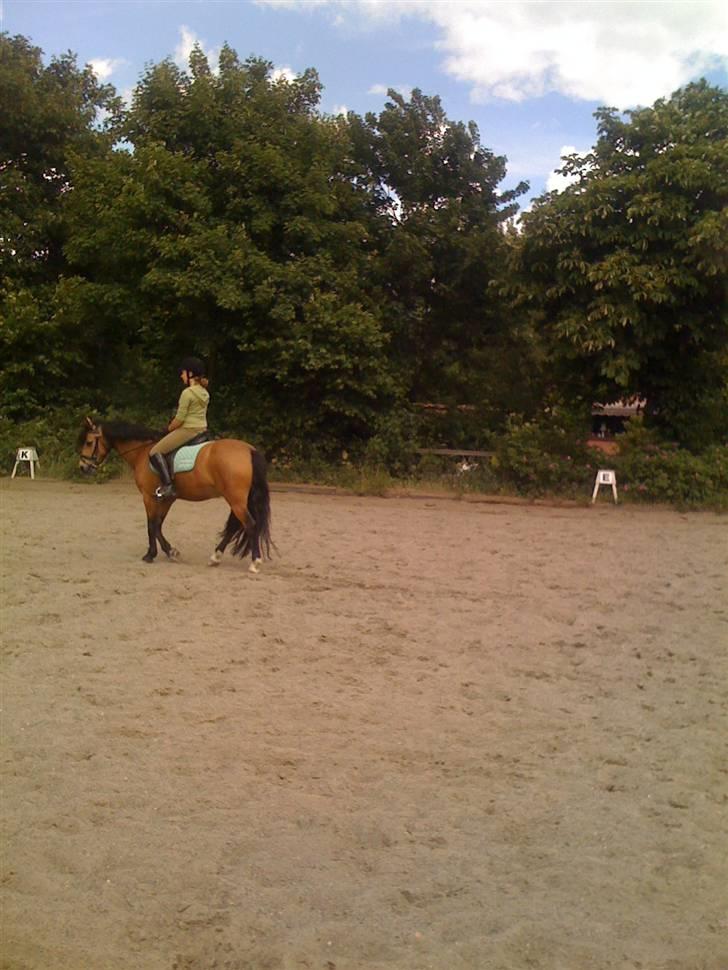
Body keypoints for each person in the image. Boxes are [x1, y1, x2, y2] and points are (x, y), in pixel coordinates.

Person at [149, 357, 210, 499]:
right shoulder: (204, 392)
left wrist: (167, 429)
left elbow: (180, 420)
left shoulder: (187, 393)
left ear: (190, 374)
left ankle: (168, 486)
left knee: (154, 451)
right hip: (202, 430)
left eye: (183, 373)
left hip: (188, 430)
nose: (181, 376)